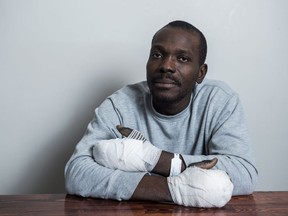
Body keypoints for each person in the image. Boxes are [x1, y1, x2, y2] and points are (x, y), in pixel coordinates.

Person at [65, 20, 258, 208]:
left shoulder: (220, 100)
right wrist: (177, 189)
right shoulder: (120, 104)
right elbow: (77, 173)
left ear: (201, 73)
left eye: (182, 58)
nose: (166, 65)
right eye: (157, 55)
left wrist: (157, 159)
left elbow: (244, 173)